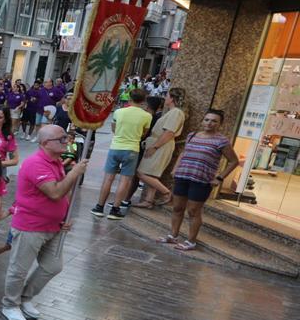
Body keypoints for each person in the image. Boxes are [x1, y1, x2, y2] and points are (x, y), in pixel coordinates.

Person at [1, 126, 89, 320]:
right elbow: (55, 192)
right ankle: (10, 304)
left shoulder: (56, 161)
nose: (66, 141)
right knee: (19, 269)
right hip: (30, 226)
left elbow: (62, 194)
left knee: (53, 266)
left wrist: (65, 216)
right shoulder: (36, 164)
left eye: (65, 137)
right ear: (45, 143)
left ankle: (24, 298)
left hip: (54, 226)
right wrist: (74, 173)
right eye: (61, 138)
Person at [160, 108, 240, 251]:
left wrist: (220, 178)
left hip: (202, 180)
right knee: (177, 208)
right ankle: (173, 236)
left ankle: (191, 241)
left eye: (214, 121)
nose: (209, 123)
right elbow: (184, 152)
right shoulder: (193, 135)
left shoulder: (222, 141)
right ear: (202, 120)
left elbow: (234, 161)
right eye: (207, 119)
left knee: (193, 211)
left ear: (220, 124)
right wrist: (175, 168)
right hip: (183, 176)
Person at [92, 88, 152, 220]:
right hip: (132, 149)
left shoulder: (119, 112)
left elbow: (114, 128)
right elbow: (144, 133)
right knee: (125, 180)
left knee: (108, 178)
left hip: (116, 146)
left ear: (130, 98)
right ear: (143, 100)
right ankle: (115, 210)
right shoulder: (147, 116)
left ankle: (99, 207)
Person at [133, 87, 187, 208]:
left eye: (167, 95)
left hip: (161, 144)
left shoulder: (176, 112)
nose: (165, 98)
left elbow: (169, 132)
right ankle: (149, 200)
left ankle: (166, 193)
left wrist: (155, 147)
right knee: (152, 174)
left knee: (142, 173)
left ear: (172, 98)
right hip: (160, 143)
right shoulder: (173, 112)